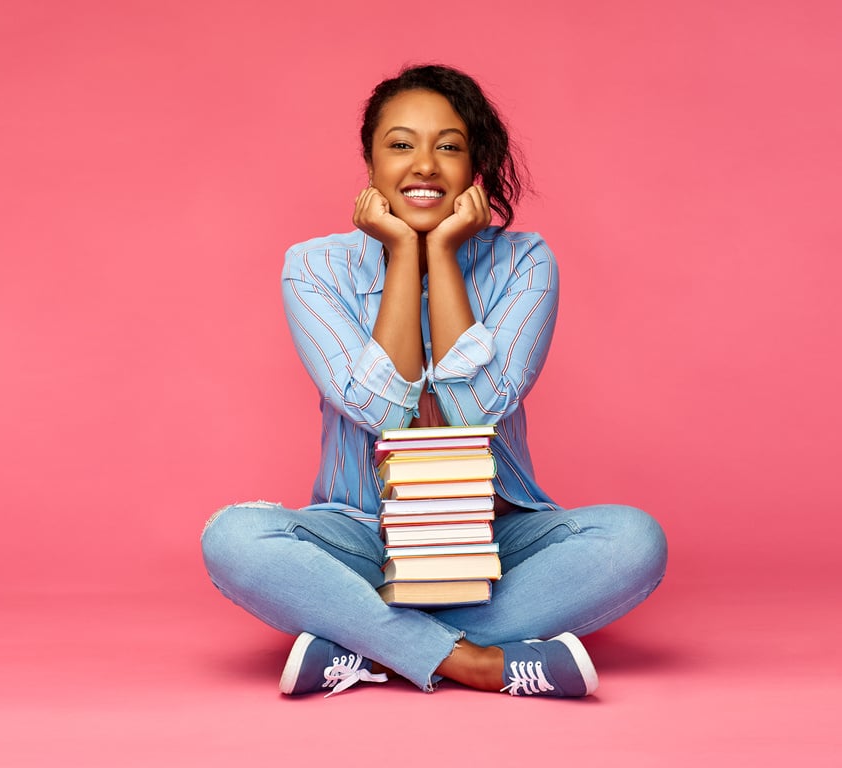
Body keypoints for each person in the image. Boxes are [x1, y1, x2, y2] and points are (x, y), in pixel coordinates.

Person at [201, 64, 668, 698]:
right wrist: (401, 252)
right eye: (401, 145)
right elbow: (383, 412)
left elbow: (475, 407)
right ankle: (478, 662)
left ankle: (365, 645)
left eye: (447, 146)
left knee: (633, 542)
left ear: (474, 166)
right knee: (233, 539)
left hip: (494, 533)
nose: (424, 164)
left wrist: (443, 255)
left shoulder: (525, 261)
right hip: (363, 533)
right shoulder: (313, 267)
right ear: (369, 163)